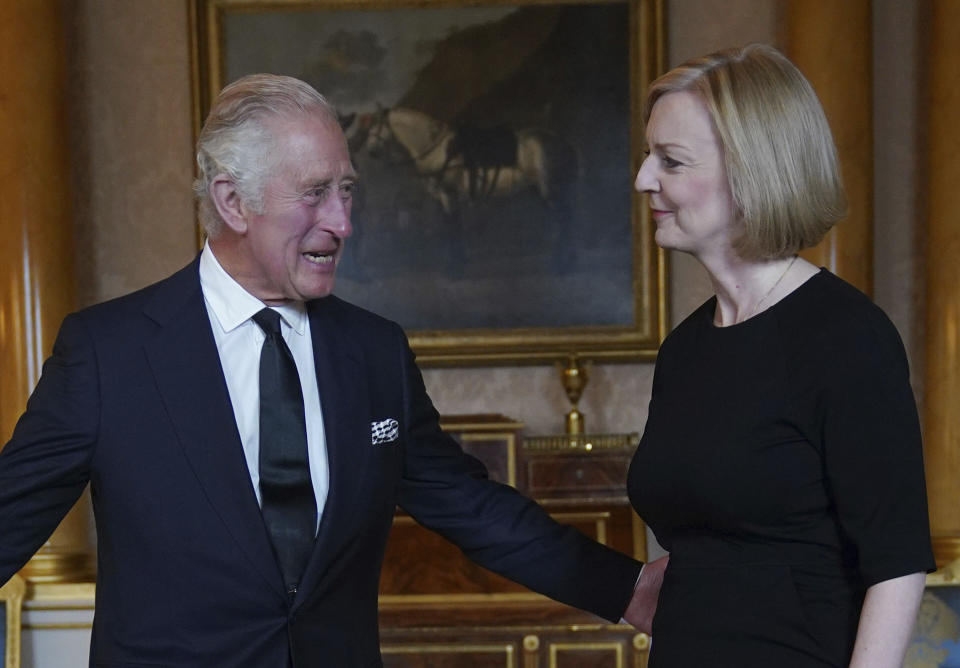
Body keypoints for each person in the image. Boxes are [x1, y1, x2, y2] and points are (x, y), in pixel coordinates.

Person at [0, 74, 664, 667]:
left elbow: (470, 504)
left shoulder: (374, 353)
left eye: (346, 191)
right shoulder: (108, 354)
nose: (343, 222)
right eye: (315, 194)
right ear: (233, 202)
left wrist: (626, 587)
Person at [628, 44, 935, 667]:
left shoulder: (847, 336)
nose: (642, 179)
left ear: (751, 171)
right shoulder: (685, 349)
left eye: (671, 161)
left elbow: (896, 564)